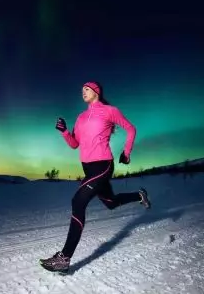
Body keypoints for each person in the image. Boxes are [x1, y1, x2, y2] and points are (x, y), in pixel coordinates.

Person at [39, 81, 151, 273]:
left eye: (87, 89)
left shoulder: (109, 110)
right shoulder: (80, 117)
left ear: (96, 92)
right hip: (88, 170)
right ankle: (139, 196)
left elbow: (131, 129)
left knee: (78, 202)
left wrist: (126, 152)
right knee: (111, 202)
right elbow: (75, 144)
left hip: (103, 166)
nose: (83, 91)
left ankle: (64, 258)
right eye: (82, 89)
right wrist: (65, 132)